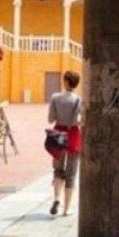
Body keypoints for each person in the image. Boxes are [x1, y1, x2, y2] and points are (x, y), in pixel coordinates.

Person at [47, 70, 83, 217]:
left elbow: (50, 119)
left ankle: (57, 198)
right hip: (73, 135)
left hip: (58, 134)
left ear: (66, 81)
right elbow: (80, 120)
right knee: (71, 173)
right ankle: (66, 209)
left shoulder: (55, 97)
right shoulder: (78, 100)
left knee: (58, 169)